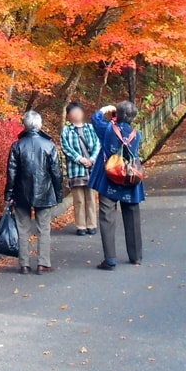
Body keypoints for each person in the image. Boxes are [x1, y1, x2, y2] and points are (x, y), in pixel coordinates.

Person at [5, 110, 64, 275]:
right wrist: (59, 194)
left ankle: (24, 264)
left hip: (21, 193)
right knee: (43, 228)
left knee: (22, 228)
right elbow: (56, 173)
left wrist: (9, 195)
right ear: (40, 125)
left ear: (25, 125)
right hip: (44, 192)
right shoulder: (49, 145)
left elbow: (11, 174)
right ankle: (42, 263)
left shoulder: (17, 146)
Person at [89, 101, 145, 270]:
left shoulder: (107, 130)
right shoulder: (137, 134)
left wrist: (106, 109)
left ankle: (110, 259)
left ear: (117, 114)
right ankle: (136, 256)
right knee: (132, 216)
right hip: (130, 177)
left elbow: (95, 118)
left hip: (110, 178)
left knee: (107, 217)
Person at [61, 102, 100, 236]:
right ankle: (81, 226)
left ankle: (92, 224)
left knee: (91, 197)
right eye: (73, 112)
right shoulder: (66, 130)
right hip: (76, 170)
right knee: (78, 199)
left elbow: (97, 144)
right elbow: (65, 147)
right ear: (69, 116)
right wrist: (79, 159)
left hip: (92, 169)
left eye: (78, 111)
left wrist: (92, 159)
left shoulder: (90, 128)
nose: (76, 114)